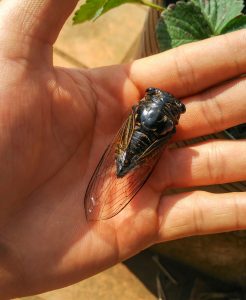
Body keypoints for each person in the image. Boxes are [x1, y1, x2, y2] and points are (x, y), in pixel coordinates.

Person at [0, 1, 245, 298]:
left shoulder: (141, 110)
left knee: (127, 151)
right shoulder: (168, 126)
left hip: (129, 144)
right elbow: (165, 135)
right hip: (138, 149)